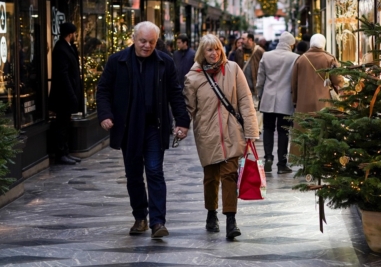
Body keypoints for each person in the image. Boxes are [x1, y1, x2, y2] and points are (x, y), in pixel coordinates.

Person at [97, 21, 190, 240]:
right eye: (143, 41)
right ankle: (140, 218)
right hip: (128, 128)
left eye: (151, 42)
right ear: (134, 38)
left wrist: (182, 121)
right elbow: (103, 90)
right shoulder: (117, 61)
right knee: (133, 175)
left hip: (154, 128)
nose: (147, 46)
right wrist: (105, 114)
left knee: (155, 171)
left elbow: (175, 94)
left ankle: (158, 222)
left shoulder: (164, 62)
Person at [183, 34, 259, 239]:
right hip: (207, 134)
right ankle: (211, 213)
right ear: (202, 52)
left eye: (217, 49)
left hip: (232, 131)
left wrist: (251, 131)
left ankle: (231, 220)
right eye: (209, 50)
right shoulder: (193, 77)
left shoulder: (233, 69)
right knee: (210, 177)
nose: (214, 53)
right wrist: (181, 126)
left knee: (229, 175)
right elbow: (188, 108)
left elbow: (245, 99)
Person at [290, 34, 343, 157]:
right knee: (322, 130)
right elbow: (337, 79)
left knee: (303, 130)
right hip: (323, 102)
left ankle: (304, 157)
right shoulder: (329, 59)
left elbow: (294, 83)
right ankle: (321, 157)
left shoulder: (301, 59)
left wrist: (295, 100)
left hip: (303, 102)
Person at [256, 31, 299, 174]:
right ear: (291, 44)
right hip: (285, 100)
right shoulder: (295, 58)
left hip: (268, 98)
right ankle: (282, 164)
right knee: (283, 131)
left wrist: (259, 94)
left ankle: (268, 157)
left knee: (268, 129)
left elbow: (260, 78)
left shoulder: (267, 56)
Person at [48, 22, 82, 166]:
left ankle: (66, 152)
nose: (75, 36)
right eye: (74, 33)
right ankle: (61, 153)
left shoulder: (68, 47)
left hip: (68, 93)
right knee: (62, 123)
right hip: (63, 95)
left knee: (65, 123)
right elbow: (63, 74)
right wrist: (71, 93)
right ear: (70, 34)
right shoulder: (61, 49)